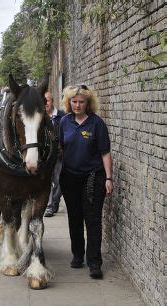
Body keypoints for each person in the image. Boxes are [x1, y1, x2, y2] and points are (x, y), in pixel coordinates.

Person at [59, 84, 113, 279]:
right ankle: (77, 255)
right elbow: (57, 149)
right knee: (74, 218)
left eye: (82, 102)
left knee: (93, 220)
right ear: (69, 102)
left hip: (94, 178)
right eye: (74, 101)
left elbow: (105, 152)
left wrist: (108, 177)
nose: (78, 105)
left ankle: (94, 262)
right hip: (70, 177)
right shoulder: (64, 122)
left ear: (88, 103)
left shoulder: (97, 124)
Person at [44, 91, 65, 217]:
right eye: (44, 101)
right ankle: (50, 206)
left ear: (52, 101)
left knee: (59, 181)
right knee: (47, 181)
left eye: (48, 100)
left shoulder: (62, 116)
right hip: (45, 155)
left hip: (59, 155)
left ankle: (55, 202)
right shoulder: (39, 116)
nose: (46, 103)